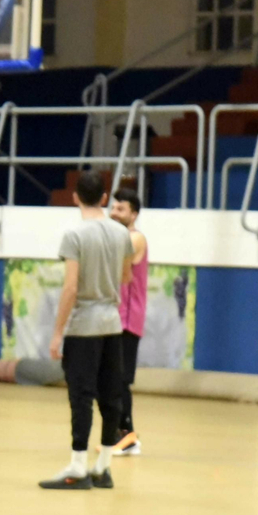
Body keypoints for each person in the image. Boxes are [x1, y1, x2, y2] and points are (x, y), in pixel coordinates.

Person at [40, 171, 134, 491]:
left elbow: (70, 288)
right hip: (112, 325)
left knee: (81, 397)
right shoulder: (122, 234)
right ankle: (103, 467)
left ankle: (78, 467)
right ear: (105, 198)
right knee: (111, 397)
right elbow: (126, 277)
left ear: (75, 197)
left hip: (83, 327)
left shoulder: (74, 235)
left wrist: (57, 333)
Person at [110, 186, 148, 455]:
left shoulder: (136, 239)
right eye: (112, 207)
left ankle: (128, 434)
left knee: (121, 379)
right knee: (111, 378)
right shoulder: (117, 237)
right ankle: (120, 433)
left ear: (133, 214)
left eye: (120, 209)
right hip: (113, 317)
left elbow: (121, 260)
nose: (113, 213)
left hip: (128, 319)